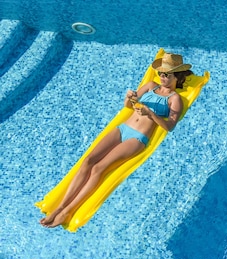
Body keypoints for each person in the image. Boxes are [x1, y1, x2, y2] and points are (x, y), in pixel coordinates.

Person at [40, 53, 194, 228]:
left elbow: (170, 126)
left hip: (137, 138)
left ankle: (68, 210)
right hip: (122, 129)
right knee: (88, 160)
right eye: (160, 73)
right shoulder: (150, 86)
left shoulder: (175, 99)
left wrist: (151, 114)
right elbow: (128, 106)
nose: (162, 76)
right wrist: (129, 97)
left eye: (166, 74)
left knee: (99, 168)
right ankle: (60, 207)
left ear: (177, 76)